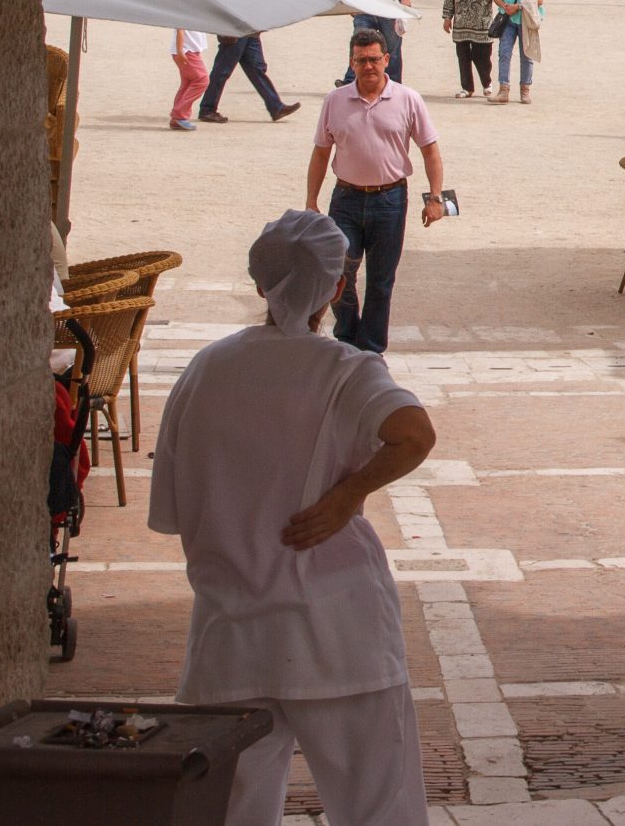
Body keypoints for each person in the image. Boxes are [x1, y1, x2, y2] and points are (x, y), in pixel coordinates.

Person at [147, 210, 435, 826]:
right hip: (338, 630)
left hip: (231, 638)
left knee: (229, 813)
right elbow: (413, 434)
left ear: (260, 284)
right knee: (378, 809)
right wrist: (345, 496)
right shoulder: (345, 372)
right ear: (337, 288)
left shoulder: (205, 372)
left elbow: (173, 513)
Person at [306, 29, 448, 354]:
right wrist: (311, 200)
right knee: (337, 270)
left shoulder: (408, 99)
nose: (368, 66)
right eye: (361, 60)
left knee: (381, 281)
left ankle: (369, 350)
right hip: (345, 200)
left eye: (374, 59)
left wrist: (435, 198)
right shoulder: (335, 101)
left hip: (391, 200)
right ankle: (346, 336)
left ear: (387, 59)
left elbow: (430, 151)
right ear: (351, 63)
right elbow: (320, 153)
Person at [197, 34, 301, 126]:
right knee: (223, 70)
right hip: (236, 29)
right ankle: (207, 108)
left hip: (250, 30)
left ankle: (276, 107)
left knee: (256, 69)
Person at [441, 0, 500, 100]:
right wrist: (447, 17)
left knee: (482, 57)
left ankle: (486, 82)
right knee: (463, 56)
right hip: (461, 24)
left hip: (482, 25)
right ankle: (467, 87)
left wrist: (504, 10)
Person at [491, 0, 544, 105]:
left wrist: (519, 6)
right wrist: (504, 6)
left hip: (526, 20)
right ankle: (503, 90)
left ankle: (525, 90)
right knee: (504, 53)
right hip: (508, 18)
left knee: (526, 55)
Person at [170, 27, 209, 131]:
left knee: (188, 82)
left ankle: (177, 118)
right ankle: (179, 114)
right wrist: (180, 50)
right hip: (186, 51)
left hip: (189, 50)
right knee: (202, 80)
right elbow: (180, 29)